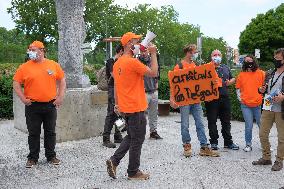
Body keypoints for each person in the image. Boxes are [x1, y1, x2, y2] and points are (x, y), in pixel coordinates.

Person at [106, 32, 158, 180]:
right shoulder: (132, 62)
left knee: (131, 136)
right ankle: (133, 172)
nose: (140, 43)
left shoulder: (117, 64)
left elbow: (116, 85)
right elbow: (153, 73)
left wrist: (117, 104)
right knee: (137, 139)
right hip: (136, 107)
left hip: (125, 107)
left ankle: (114, 161)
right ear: (129, 44)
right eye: (137, 41)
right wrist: (153, 54)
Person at [13, 41, 66, 168]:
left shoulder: (53, 65)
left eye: (33, 49)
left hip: (50, 105)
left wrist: (60, 97)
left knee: (50, 132)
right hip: (32, 106)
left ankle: (51, 156)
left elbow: (62, 80)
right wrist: (23, 99)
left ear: (42, 51)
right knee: (33, 133)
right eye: (29, 49)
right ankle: (32, 158)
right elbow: (15, 83)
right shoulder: (24, 67)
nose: (30, 52)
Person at [170, 44, 219, 158]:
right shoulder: (179, 66)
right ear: (188, 52)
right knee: (185, 124)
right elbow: (174, 84)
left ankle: (204, 146)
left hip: (196, 100)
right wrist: (172, 98)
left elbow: (201, 82)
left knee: (200, 123)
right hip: (185, 101)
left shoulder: (196, 65)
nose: (195, 54)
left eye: (195, 52)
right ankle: (186, 145)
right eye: (194, 52)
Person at [252, 48, 284, 171]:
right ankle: (266, 158)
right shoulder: (270, 73)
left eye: (278, 59)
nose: (275, 60)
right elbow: (265, 88)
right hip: (268, 107)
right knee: (262, 134)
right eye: (274, 58)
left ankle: (279, 160)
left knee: (282, 138)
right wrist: (261, 90)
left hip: (281, 110)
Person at [205, 49, 239, 151]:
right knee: (212, 121)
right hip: (211, 99)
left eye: (218, 54)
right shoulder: (206, 68)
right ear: (211, 56)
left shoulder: (226, 67)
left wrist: (231, 81)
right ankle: (214, 142)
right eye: (214, 54)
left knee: (226, 122)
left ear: (221, 56)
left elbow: (233, 78)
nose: (216, 56)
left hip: (225, 98)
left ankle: (228, 142)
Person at [235, 55, 265, 152]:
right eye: (246, 61)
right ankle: (248, 144)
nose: (249, 63)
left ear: (254, 61)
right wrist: (241, 99)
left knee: (262, 125)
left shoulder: (261, 73)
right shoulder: (241, 75)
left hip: (258, 104)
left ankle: (265, 144)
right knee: (249, 125)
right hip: (245, 105)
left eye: (250, 61)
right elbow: (238, 89)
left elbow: (266, 86)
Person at [102, 44, 124, 148]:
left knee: (119, 113)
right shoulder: (111, 61)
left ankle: (118, 135)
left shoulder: (121, 62)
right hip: (113, 89)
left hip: (120, 89)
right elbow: (113, 74)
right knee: (111, 113)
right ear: (120, 51)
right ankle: (106, 138)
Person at [139, 50, 162, 140]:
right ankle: (140, 132)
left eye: (145, 51)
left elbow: (157, 75)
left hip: (153, 91)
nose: (144, 53)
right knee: (141, 114)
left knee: (153, 113)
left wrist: (156, 87)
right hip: (143, 92)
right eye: (142, 51)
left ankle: (153, 131)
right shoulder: (138, 61)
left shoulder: (153, 60)